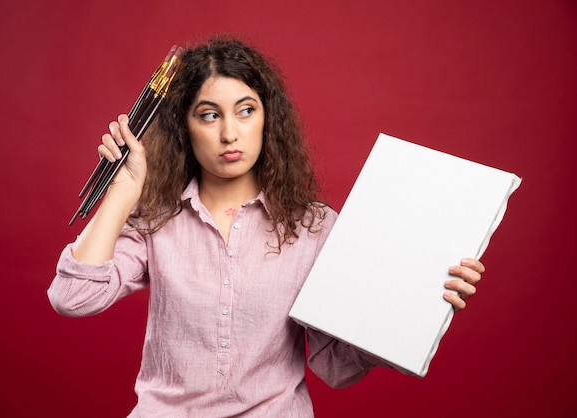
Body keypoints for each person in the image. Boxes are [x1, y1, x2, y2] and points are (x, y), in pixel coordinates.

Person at [48, 37, 485, 417]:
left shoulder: (312, 227)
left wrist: (425, 303)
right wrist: (123, 193)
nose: (230, 134)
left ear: (266, 118)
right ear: (184, 125)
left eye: (245, 110)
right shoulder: (157, 220)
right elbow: (73, 297)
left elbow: (336, 364)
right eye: (209, 115)